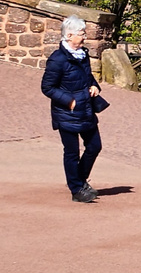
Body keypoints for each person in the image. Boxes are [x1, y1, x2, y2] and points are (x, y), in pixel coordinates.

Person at [41, 16, 108, 203]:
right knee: (71, 152)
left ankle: (79, 180)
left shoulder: (83, 55)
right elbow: (47, 87)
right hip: (66, 113)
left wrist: (95, 86)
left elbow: (88, 77)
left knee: (95, 146)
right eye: (81, 33)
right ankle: (77, 190)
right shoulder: (57, 59)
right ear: (69, 35)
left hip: (86, 110)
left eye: (84, 33)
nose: (84, 37)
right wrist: (68, 101)